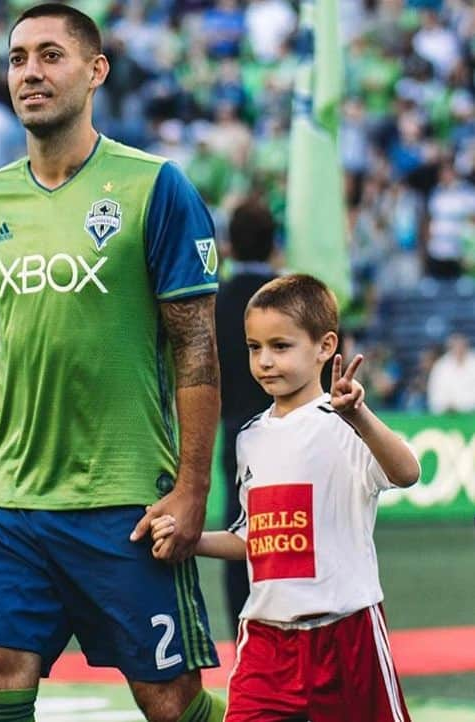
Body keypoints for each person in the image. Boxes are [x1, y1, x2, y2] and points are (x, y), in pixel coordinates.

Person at [0, 6, 225, 722]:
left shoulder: (155, 185)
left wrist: (193, 486)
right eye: (17, 59)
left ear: (95, 70)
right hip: (12, 499)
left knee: (169, 701)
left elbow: (195, 343)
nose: (30, 73)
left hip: (127, 497)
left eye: (50, 55)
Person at [151, 274, 420, 722]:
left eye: (280, 346)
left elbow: (407, 472)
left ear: (324, 346)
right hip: (266, 641)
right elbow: (251, 538)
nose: (265, 361)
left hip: (346, 634)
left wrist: (359, 416)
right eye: (255, 348)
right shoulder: (249, 437)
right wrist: (190, 538)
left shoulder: (345, 423)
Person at [215, 197, 278, 635]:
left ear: (229, 246)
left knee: (240, 535)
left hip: (235, 430)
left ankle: (246, 639)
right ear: (274, 244)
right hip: (293, 426)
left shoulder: (215, 302)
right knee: (298, 533)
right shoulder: (294, 298)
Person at [426, 332, 475, 413]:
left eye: (461, 345)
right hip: (449, 414)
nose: (459, 349)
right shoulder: (441, 366)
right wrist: (445, 406)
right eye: (455, 346)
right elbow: (436, 393)